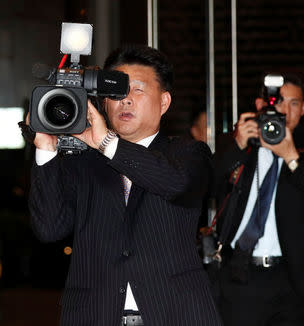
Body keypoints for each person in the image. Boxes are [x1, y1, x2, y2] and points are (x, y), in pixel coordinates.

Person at [27, 45, 222, 326]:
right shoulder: (82, 161)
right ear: (104, 102)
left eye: (138, 90)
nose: (125, 100)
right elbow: (48, 228)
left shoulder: (188, 154)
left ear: (164, 102)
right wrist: (46, 147)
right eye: (116, 91)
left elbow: (176, 183)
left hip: (175, 315)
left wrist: (107, 144)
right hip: (94, 315)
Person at [212, 74, 304, 326]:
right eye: (277, 101)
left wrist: (291, 158)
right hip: (241, 273)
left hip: (291, 278)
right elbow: (206, 187)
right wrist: (237, 146)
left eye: (294, 103)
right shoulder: (239, 145)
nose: (284, 110)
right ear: (259, 105)